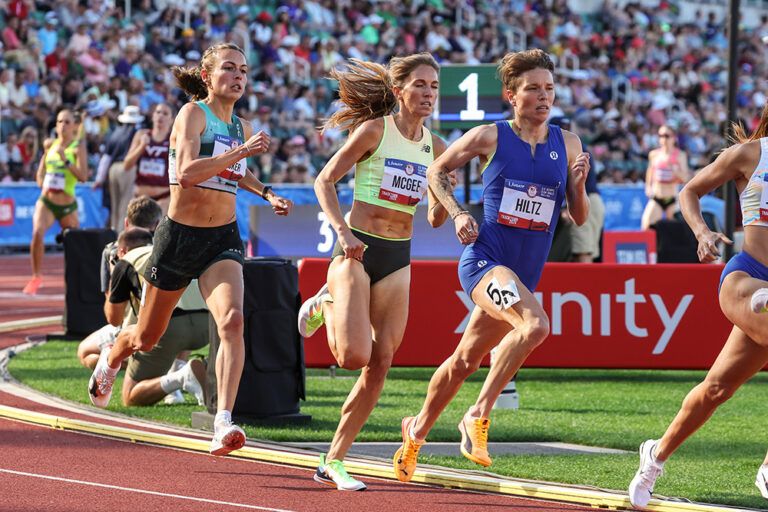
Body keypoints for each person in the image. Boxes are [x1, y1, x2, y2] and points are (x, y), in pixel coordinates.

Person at [391, 49, 590, 482]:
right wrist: (459, 213)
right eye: (533, 89)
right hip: (486, 260)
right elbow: (436, 172)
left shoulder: (568, 142)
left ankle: (416, 430)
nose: (544, 97)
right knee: (535, 327)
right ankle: (477, 414)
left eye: (549, 89)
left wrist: (578, 183)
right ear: (511, 95)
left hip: (524, 272)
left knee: (465, 359)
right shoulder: (490, 136)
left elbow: (579, 215)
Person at [87, 43, 293, 456]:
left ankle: (222, 422)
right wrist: (242, 151)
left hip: (222, 240)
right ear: (208, 75)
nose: (238, 77)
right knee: (146, 338)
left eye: (244, 71)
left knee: (233, 321)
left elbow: (238, 170)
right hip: (180, 237)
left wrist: (266, 191)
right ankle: (112, 356)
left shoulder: (241, 124)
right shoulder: (192, 114)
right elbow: (185, 173)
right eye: (229, 69)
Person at [296, 54, 451, 491]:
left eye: (434, 86)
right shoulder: (374, 130)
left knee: (381, 363)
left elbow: (435, 216)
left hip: (399, 255)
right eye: (420, 84)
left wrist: (445, 203)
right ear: (399, 90)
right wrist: (342, 233)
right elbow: (324, 181)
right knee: (353, 357)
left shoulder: (436, 147)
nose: (428, 94)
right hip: (358, 249)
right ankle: (326, 299)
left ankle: (334, 459)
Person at [628, 106, 768, 508]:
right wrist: (702, 231)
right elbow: (688, 190)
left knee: (716, 388)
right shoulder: (751, 154)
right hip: (746, 276)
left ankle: (654, 455)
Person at [102, 227, 209, 407]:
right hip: (206, 325)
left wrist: (114, 277)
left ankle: (181, 377)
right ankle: (183, 369)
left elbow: (113, 318)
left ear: (121, 250)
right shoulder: (173, 250)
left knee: (130, 396)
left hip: (169, 329)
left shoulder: (127, 260)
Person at [24, 108, 88, 295]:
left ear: (74, 126)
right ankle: (36, 276)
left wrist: (66, 161)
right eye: (60, 121)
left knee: (73, 245)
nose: (62, 125)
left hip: (68, 205)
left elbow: (83, 176)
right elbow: (41, 170)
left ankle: (75, 281)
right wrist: (40, 178)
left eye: (67, 122)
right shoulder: (49, 144)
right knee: (37, 233)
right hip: (47, 201)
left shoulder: (77, 147)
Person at [93, 104, 143, 233]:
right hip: (128, 168)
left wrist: (99, 178)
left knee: (114, 206)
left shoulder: (115, 132)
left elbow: (106, 158)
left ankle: (114, 234)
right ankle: (122, 235)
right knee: (125, 206)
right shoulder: (136, 133)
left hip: (113, 169)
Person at [123, 103, 174, 214]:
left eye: (165, 113)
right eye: (158, 112)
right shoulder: (141, 134)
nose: (160, 116)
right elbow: (126, 165)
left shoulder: (173, 139)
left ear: (172, 120)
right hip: (140, 198)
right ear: (152, 116)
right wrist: (142, 147)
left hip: (163, 198)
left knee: (158, 231)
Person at [641, 125, 690, 230]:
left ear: (673, 138)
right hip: (657, 197)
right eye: (660, 135)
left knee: (673, 231)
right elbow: (650, 171)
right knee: (646, 225)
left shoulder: (680, 155)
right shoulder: (654, 154)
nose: (663, 139)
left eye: (666, 136)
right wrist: (648, 187)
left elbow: (685, 178)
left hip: (671, 199)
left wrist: (675, 171)